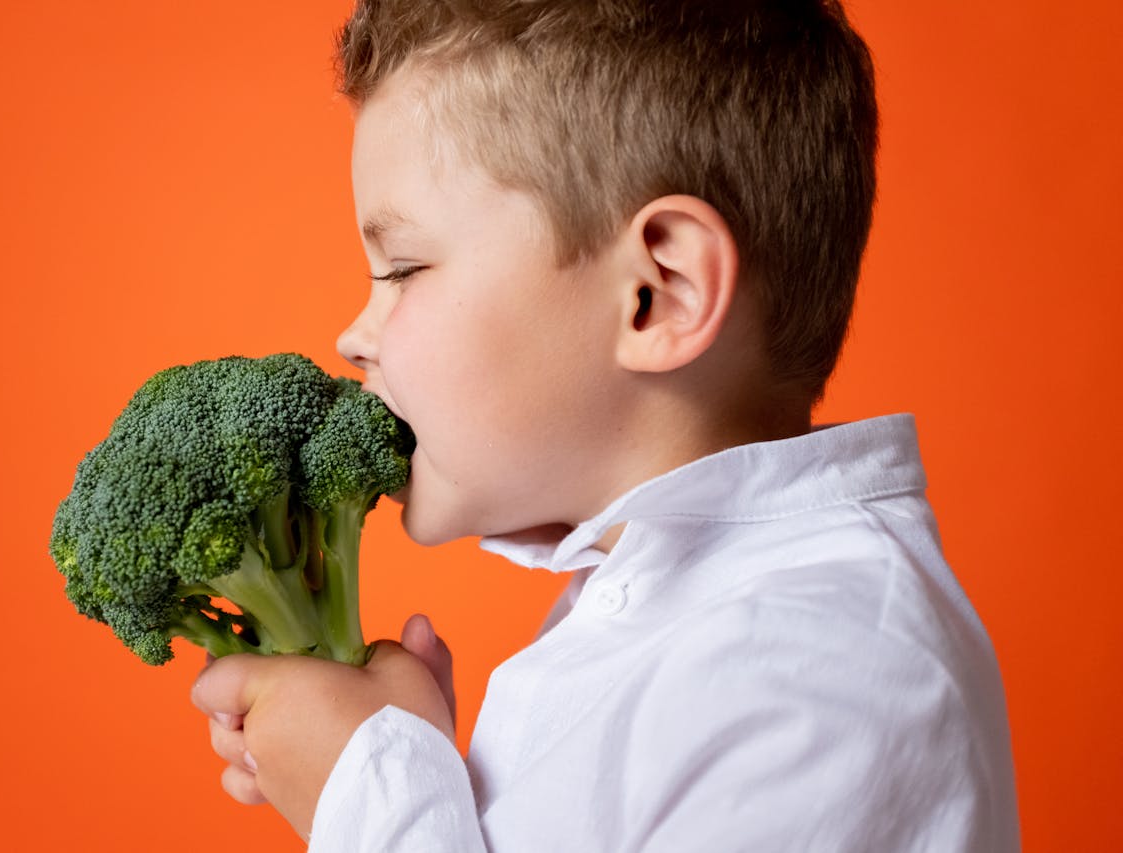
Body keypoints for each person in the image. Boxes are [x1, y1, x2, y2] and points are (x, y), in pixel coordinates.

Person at [190, 1, 1021, 849]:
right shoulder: (655, 611)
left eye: (404, 268)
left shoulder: (822, 681)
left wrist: (372, 792)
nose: (353, 337)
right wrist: (416, 759)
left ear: (656, 291)